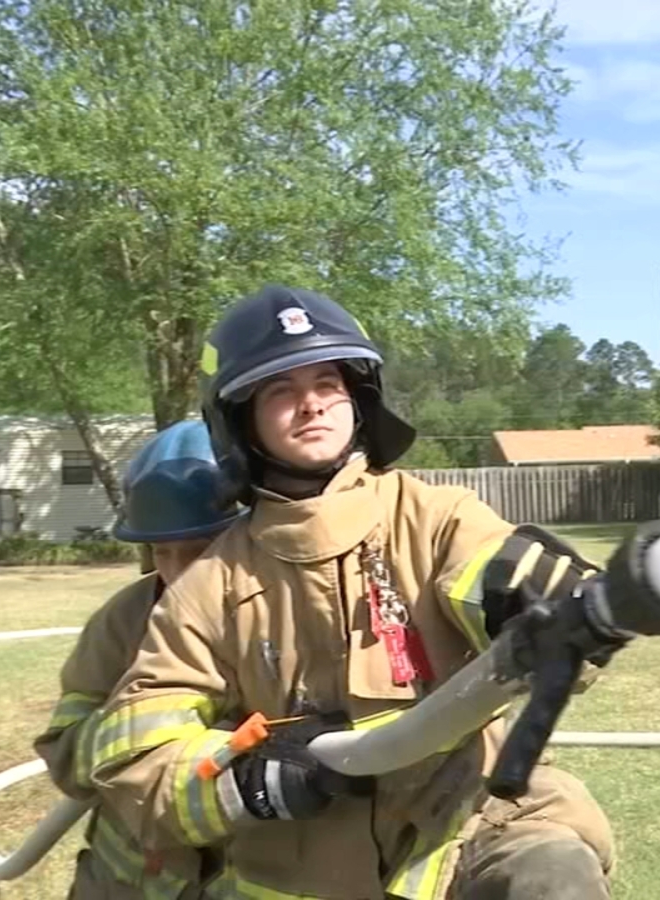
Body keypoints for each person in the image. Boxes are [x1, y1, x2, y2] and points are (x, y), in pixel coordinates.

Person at [81, 285, 617, 900]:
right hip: (303, 868)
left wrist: (559, 610)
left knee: (548, 875)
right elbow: (136, 760)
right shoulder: (209, 586)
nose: (311, 405)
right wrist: (241, 781)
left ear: (359, 399)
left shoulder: (436, 518)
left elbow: (508, 578)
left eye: (327, 384)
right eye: (281, 390)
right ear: (239, 421)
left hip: (465, 822)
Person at [34, 420, 244, 899]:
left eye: (201, 550)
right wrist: (142, 740)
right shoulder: (122, 622)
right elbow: (64, 749)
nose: (178, 574)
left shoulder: (293, 618)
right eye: (162, 551)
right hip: (127, 881)